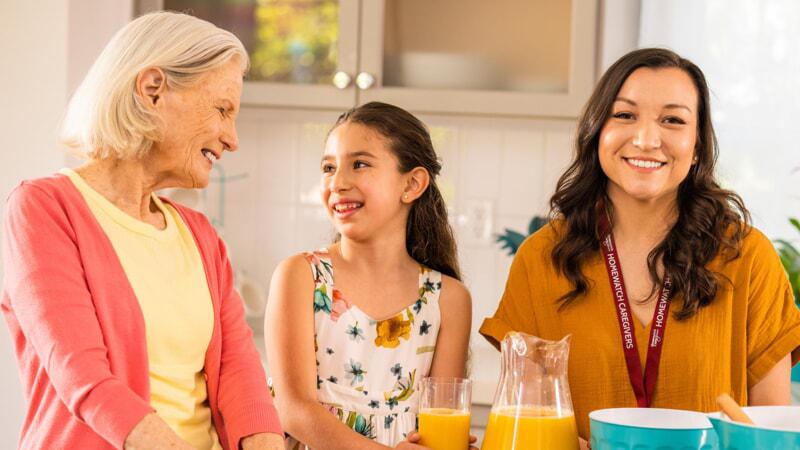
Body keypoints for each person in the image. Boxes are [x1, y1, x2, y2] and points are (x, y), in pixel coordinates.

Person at [480, 48, 800, 443]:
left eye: (673, 120)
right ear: (597, 131)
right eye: (625, 115)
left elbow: (769, 438)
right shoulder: (542, 257)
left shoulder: (748, 257)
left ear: (697, 145)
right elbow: (523, 427)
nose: (647, 139)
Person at [1, 12, 284, 450]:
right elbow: (84, 377)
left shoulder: (200, 235)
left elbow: (239, 370)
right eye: (223, 110)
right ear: (153, 90)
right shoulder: (44, 209)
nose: (233, 138)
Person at [265, 102, 473, 449]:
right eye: (328, 168)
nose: (338, 182)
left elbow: (442, 421)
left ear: (412, 184)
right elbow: (294, 409)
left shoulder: (448, 299)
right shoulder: (301, 277)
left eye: (359, 164)